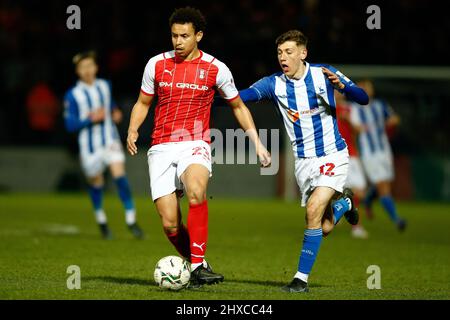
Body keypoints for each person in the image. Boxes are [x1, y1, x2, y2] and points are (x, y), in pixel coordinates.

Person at [126, 7, 271, 288]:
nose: (178, 42)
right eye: (173, 35)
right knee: (170, 224)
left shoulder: (216, 68)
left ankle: (196, 265)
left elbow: (238, 106)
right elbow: (143, 103)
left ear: (199, 36)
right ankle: (199, 265)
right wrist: (133, 129)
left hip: (195, 143)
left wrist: (257, 143)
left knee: (195, 190)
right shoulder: (156, 64)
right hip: (160, 146)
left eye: (184, 36)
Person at [239, 30, 369, 292]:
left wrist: (343, 86)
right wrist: (205, 97)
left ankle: (300, 280)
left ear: (303, 53)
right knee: (324, 226)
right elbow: (240, 97)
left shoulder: (323, 73)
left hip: (333, 154)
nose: (283, 58)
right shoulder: (273, 83)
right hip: (303, 163)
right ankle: (344, 204)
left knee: (312, 210)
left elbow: (362, 98)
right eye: (279, 53)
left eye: (288, 52)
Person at [63, 51, 144, 240]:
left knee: (119, 176)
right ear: (78, 71)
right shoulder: (73, 94)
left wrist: (115, 113)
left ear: (96, 67)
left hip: (110, 140)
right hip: (89, 147)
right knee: (96, 182)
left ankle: (131, 220)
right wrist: (90, 119)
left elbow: (110, 105)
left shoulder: (105, 86)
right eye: (83, 67)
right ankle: (102, 221)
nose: (88, 70)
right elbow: (69, 124)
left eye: (90, 65)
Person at [350, 79, 407, 231]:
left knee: (386, 183)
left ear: (372, 90)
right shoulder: (355, 109)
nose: (365, 91)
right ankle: (397, 220)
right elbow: (355, 128)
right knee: (382, 186)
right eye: (361, 89)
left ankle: (368, 200)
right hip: (369, 153)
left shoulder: (380, 105)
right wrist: (360, 128)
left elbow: (394, 118)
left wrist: (390, 123)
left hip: (385, 150)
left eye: (367, 88)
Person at [335, 91, 369, 239]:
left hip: (351, 155)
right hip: (334, 156)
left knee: (360, 192)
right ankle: (356, 228)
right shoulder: (324, 108)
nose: (336, 93)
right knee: (333, 190)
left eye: (338, 90)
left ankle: (339, 209)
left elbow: (359, 130)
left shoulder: (350, 109)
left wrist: (348, 120)